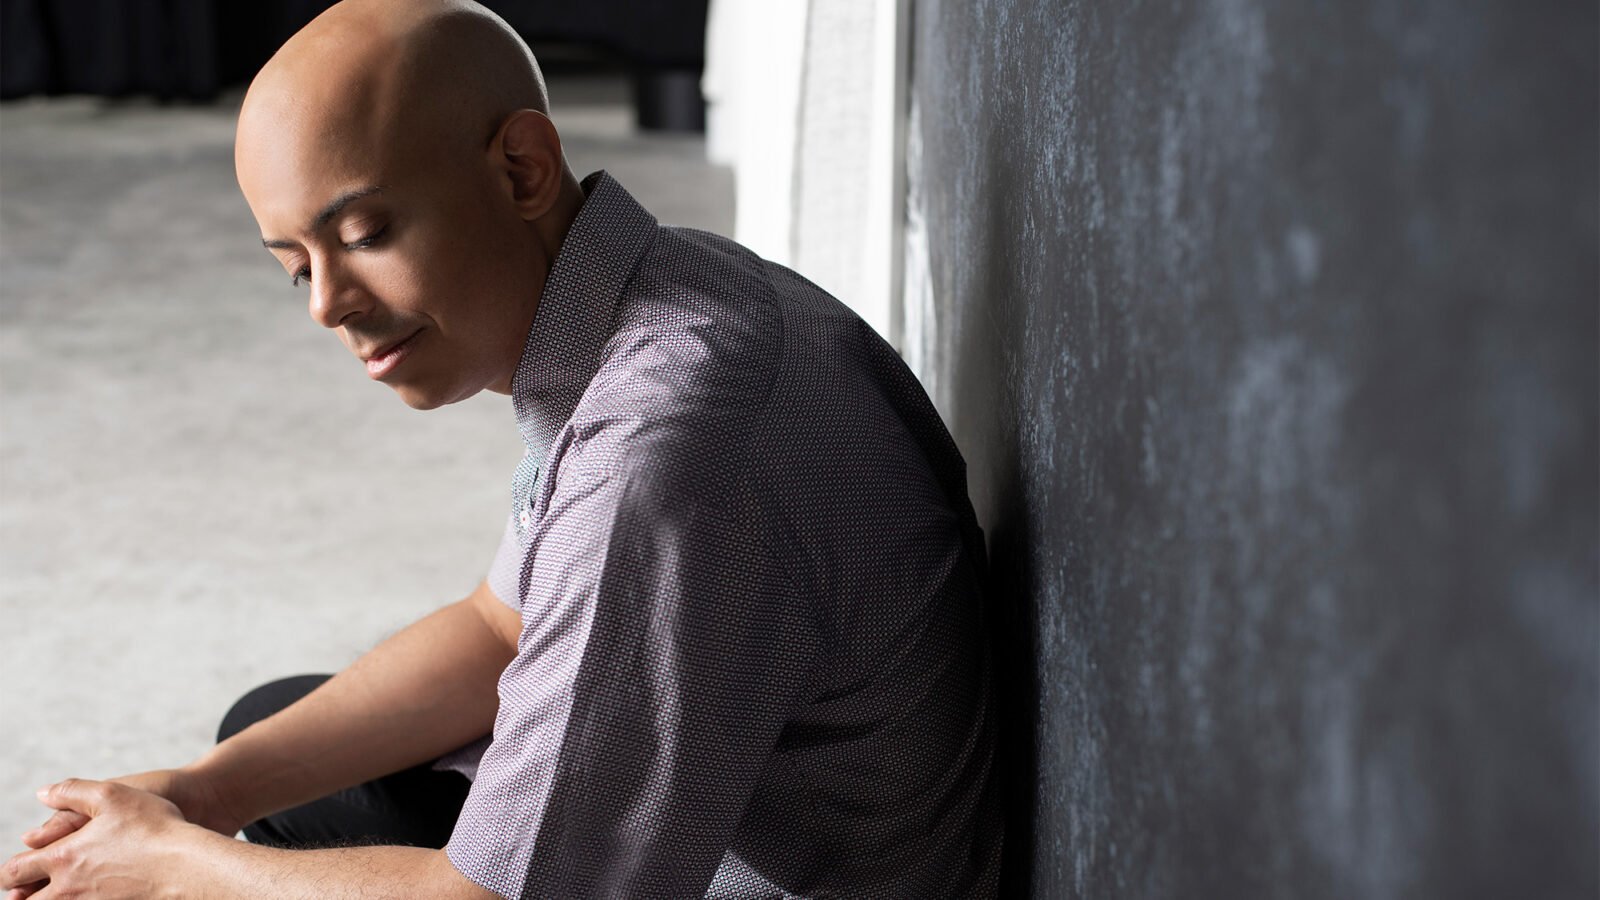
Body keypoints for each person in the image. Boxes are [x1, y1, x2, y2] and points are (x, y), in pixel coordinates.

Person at [0, 0, 1003, 896]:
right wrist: (200, 795)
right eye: (293, 264)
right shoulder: (672, 291)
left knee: (252, 856)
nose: (325, 304)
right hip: (760, 806)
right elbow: (499, 626)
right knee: (269, 744)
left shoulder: (662, 458)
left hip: (775, 874)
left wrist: (176, 866)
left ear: (520, 167)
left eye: (362, 232)